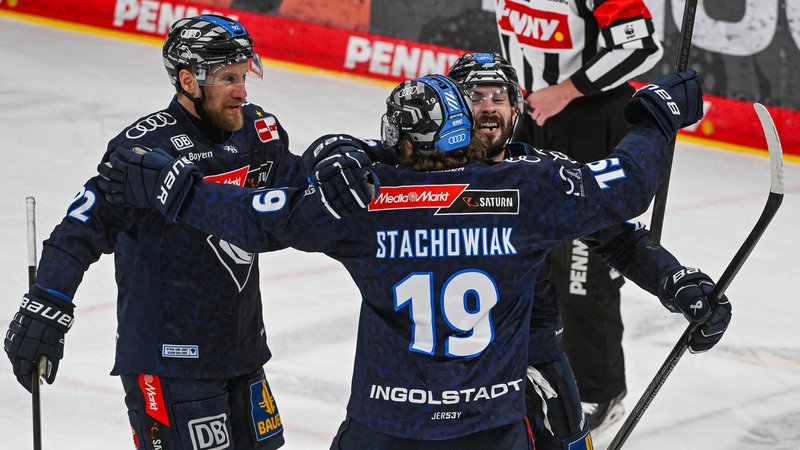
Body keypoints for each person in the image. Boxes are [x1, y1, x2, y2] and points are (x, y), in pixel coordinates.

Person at [96, 69, 708, 449]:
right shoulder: (531, 191)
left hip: (385, 428)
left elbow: (257, 216)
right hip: (492, 426)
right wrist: (656, 117)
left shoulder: (362, 201)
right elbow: (627, 185)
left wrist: (174, 188)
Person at [3, 14, 318, 450]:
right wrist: (48, 301)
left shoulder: (259, 133)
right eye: (228, 79)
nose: (242, 91)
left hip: (241, 352)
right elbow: (80, 228)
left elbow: (302, 195)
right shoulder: (145, 150)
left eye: (244, 76)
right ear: (189, 81)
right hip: (170, 361)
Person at [447, 52, 732, 448]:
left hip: (538, 375)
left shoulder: (539, 177)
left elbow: (618, 239)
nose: (488, 108)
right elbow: (626, 186)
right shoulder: (430, 180)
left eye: (499, 97)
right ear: (452, 107)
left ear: (517, 107)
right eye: (475, 97)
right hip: (445, 379)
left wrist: (674, 280)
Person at [495, 0, 666, 431]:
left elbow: (641, 47)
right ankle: (533, 373)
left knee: (582, 268)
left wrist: (567, 90)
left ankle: (599, 391)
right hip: (532, 117)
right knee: (520, 253)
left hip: (590, 122)